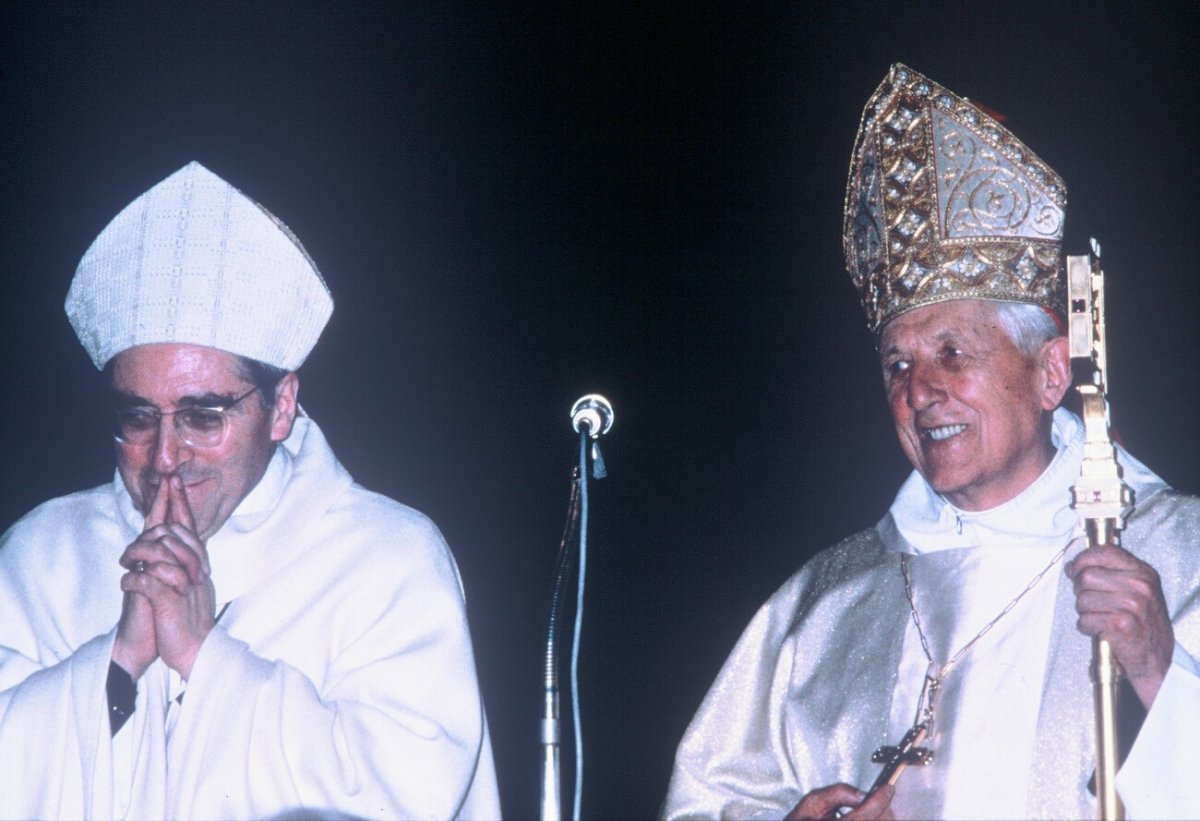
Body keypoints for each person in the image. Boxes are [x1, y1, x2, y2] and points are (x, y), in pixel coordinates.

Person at [662, 64, 1200, 820]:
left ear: (1051, 373)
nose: (919, 391)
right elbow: (706, 801)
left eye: (953, 353)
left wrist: (1160, 670)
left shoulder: (1174, 557)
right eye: (898, 364)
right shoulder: (824, 602)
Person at [0, 162, 500, 819]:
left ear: (281, 405)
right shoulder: (40, 554)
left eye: (204, 415)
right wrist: (117, 662)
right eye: (138, 417)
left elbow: (403, 788)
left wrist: (206, 658)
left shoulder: (387, 557)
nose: (165, 457)